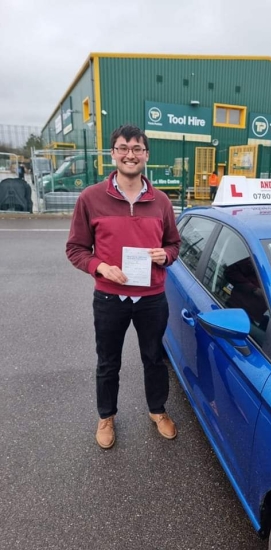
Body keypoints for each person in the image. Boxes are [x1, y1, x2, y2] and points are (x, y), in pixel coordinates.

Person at [66, 124, 181, 449]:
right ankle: (106, 416)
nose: (130, 154)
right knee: (108, 361)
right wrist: (100, 266)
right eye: (123, 148)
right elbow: (75, 248)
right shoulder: (91, 198)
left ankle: (157, 410)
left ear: (146, 155)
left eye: (137, 149)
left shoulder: (161, 201)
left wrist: (165, 255)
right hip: (109, 297)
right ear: (113, 153)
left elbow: (174, 244)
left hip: (151, 298)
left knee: (154, 357)